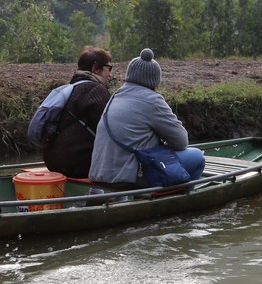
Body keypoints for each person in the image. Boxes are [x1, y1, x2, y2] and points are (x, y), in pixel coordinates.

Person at [88, 48, 205, 186]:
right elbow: (181, 141)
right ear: (154, 80)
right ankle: (179, 201)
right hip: (128, 176)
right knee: (198, 157)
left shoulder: (116, 95)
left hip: (99, 173)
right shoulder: (152, 100)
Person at [41, 46, 113, 179]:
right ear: (96, 68)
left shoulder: (70, 89)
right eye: (109, 67)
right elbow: (109, 131)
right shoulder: (96, 90)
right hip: (76, 165)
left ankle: (95, 199)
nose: (110, 74)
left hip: (52, 162)